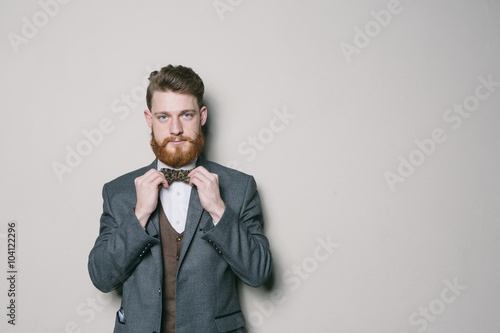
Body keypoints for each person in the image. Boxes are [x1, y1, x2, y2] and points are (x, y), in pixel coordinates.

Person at [88, 65, 272, 333]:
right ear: (149, 120)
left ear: (202, 116)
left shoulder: (239, 187)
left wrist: (219, 210)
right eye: (164, 117)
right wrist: (138, 215)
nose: (175, 129)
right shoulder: (119, 192)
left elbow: (258, 273)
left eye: (186, 115)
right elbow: (102, 278)